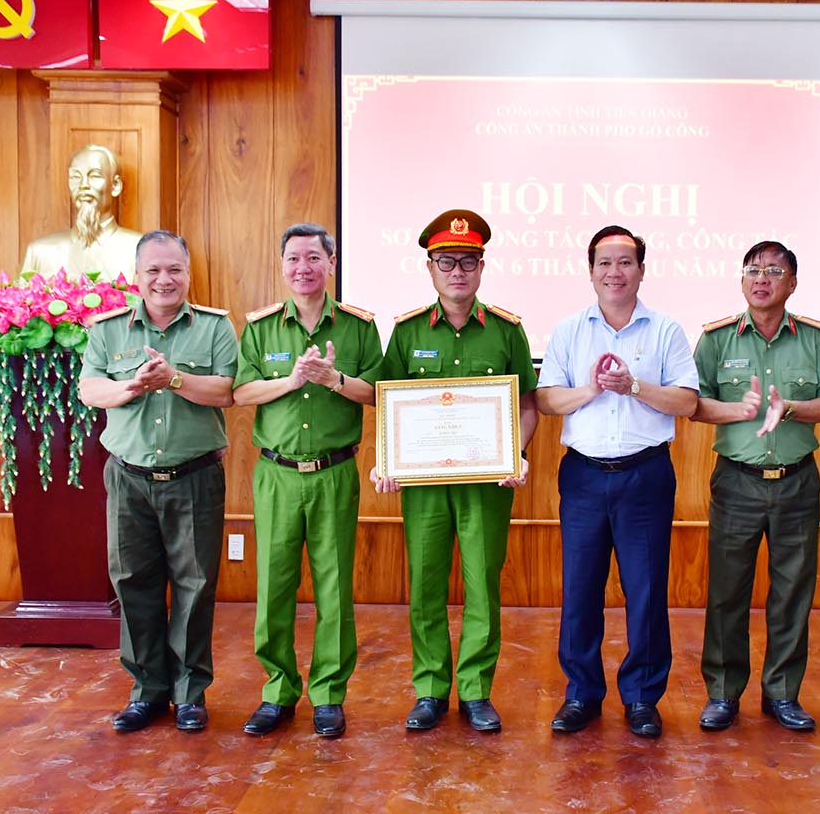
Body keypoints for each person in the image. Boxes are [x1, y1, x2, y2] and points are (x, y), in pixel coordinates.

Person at [370, 209, 538, 733]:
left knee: (483, 584)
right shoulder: (406, 331)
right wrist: (387, 459)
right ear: (430, 268)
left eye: (468, 261)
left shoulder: (508, 331)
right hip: (424, 486)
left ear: (482, 267)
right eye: (447, 261)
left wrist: (519, 453)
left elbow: (527, 405)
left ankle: (475, 690)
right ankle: (430, 689)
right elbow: (386, 403)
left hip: (488, 483)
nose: (457, 271)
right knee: (425, 583)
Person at [536, 225, 699, 739]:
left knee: (646, 590)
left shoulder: (666, 330)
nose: (615, 272)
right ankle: (581, 693)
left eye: (625, 262)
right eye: (604, 263)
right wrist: (589, 389)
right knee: (580, 588)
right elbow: (546, 400)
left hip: (645, 475)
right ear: (590, 272)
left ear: (641, 271)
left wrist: (634, 386)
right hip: (584, 476)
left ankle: (642, 698)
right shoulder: (568, 330)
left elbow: (687, 402)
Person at [78, 230, 238, 734]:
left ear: (188, 274)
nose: (164, 280)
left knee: (195, 587)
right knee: (133, 584)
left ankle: (190, 694)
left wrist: (173, 379)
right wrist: (131, 386)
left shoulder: (214, 328)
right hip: (129, 479)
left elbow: (227, 391)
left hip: (194, 477)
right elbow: (89, 388)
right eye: (153, 271)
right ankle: (147, 691)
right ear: (136, 276)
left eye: (174, 270)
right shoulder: (107, 330)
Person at [689, 240, 820, 733]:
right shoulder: (716, 340)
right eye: (753, 270)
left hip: (798, 482)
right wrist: (738, 410)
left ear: (792, 283)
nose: (762, 278)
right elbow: (694, 404)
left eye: (774, 271)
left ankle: (782, 693)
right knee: (726, 593)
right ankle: (722, 693)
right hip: (737, 482)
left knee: (792, 594)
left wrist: (792, 408)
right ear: (742, 280)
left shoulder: (817, 340)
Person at [232, 223, 383, 739]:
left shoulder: (360, 327)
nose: (304, 268)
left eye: (314, 258)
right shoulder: (261, 327)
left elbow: (377, 394)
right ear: (282, 267)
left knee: (334, 586)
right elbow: (241, 392)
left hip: (335, 473)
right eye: (294, 259)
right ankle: (277, 691)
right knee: (274, 584)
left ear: (332, 263)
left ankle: (328, 694)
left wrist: (333, 380)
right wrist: (292, 381)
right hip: (276, 474)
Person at [21, 144, 143, 282]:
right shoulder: (40, 253)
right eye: (75, 177)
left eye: (94, 176)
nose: (83, 185)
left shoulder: (140, 249)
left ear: (115, 186)